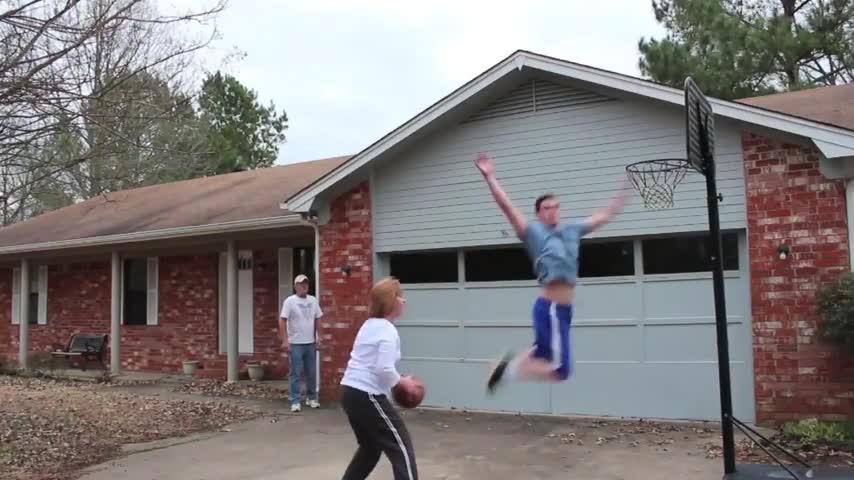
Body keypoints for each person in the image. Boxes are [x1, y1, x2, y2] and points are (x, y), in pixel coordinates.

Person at [473, 151, 633, 393]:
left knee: (543, 355)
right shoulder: (533, 232)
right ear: (539, 213)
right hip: (551, 309)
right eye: (547, 208)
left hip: (563, 312)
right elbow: (506, 206)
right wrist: (490, 177)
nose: (553, 211)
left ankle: (509, 367)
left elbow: (605, 215)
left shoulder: (572, 229)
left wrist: (626, 187)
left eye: (556, 207)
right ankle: (508, 371)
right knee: (561, 370)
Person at [339, 277, 419, 480]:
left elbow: (376, 366)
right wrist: (404, 382)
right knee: (401, 447)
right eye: (400, 296)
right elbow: (383, 368)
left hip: (350, 392)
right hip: (367, 395)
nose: (405, 300)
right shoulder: (387, 330)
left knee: (370, 448)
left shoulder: (369, 325)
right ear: (391, 301)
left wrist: (397, 378)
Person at [279, 274, 323, 412]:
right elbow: (282, 320)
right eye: (300, 284)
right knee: (295, 373)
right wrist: (285, 340)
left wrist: (319, 337)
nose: (303, 286)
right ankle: (295, 400)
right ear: (295, 286)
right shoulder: (290, 301)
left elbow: (318, 319)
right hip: (295, 343)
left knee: (311, 372)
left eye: (305, 284)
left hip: (310, 343)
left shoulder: (313, 300)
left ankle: (311, 398)